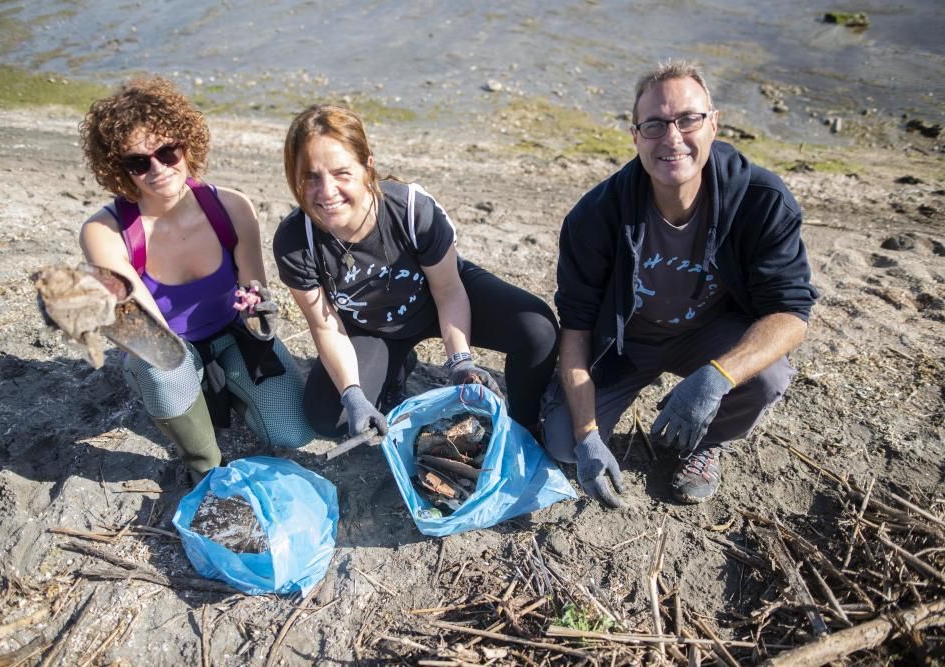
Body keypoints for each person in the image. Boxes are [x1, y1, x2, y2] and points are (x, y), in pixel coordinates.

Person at [543, 60, 817, 507]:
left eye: (688, 119)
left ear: (713, 124)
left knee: (768, 374)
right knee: (560, 445)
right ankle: (594, 407)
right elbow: (575, 327)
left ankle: (708, 444)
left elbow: (791, 314)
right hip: (626, 342)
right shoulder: (595, 215)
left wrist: (716, 377)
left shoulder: (762, 200)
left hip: (711, 334)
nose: (672, 138)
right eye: (654, 125)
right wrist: (587, 436)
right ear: (635, 137)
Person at [273, 104, 559, 441]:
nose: (326, 191)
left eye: (341, 173)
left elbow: (449, 291)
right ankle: (398, 365)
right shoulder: (295, 240)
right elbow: (325, 325)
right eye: (310, 176)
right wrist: (352, 393)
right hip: (372, 327)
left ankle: (525, 424)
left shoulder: (411, 210)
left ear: (367, 166)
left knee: (538, 329)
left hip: (438, 299)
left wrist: (461, 362)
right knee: (326, 418)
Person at [78, 76, 313, 483]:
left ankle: (225, 390)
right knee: (161, 361)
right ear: (120, 170)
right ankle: (204, 462)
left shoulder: (232, 207)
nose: (157, 170)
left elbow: (255, 288)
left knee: (293, 431)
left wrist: (260, 311)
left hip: (231, 333)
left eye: (167, 152)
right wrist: (186, 364)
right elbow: (146, 330)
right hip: (167, 348)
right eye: (139, 162)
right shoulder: (104, 232)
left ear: (187, 145)